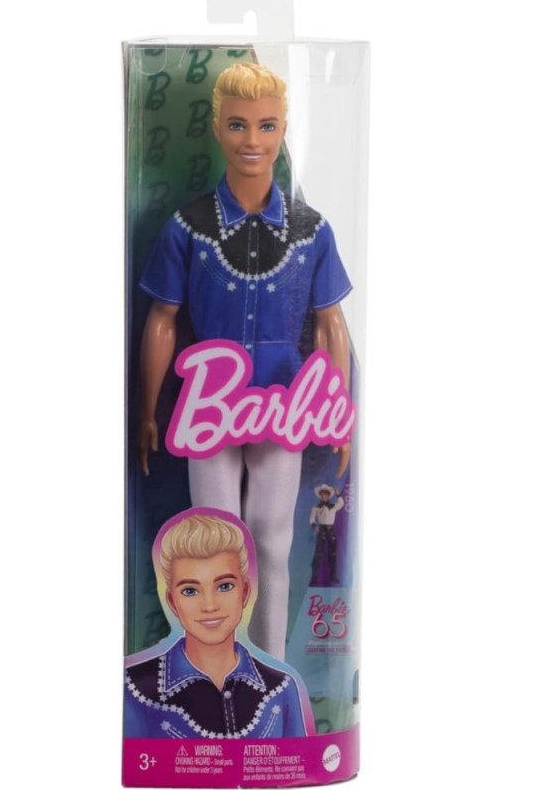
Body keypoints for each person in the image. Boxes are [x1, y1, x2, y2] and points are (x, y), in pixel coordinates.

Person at [138, 62, 352, 660]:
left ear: (284, 129)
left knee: (273, 543)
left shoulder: (311, 230)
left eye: (266, 125)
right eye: (237, 125)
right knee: (213, 545)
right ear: (216, 128)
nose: (252, 140)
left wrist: (337, 412)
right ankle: (216, 672)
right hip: (207, 406)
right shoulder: (188, 228)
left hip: (283, 405)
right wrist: (146, 411)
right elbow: (162, 320)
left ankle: (272, 668)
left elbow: (330, 324)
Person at [124, 511, 311, 739]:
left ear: (245, 592)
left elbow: (301, 758)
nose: (210, 605)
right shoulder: (135, 688)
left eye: (224, 586)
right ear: (172, 602)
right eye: (190, 591)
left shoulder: (281, 689)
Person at [309, 484, 344, 585]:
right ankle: (314, 576)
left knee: (333, 553)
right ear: (320, 496)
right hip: (321, 530)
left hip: (330, 530)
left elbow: (341, 503)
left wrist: (338, 494)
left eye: (326, 494)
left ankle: (333, 576)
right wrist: (314, 526)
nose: (324, 496)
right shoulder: (316, 508)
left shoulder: (333, 507)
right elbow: (311, 519)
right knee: (318, 554)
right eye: (322, 494)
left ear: (328, 496)